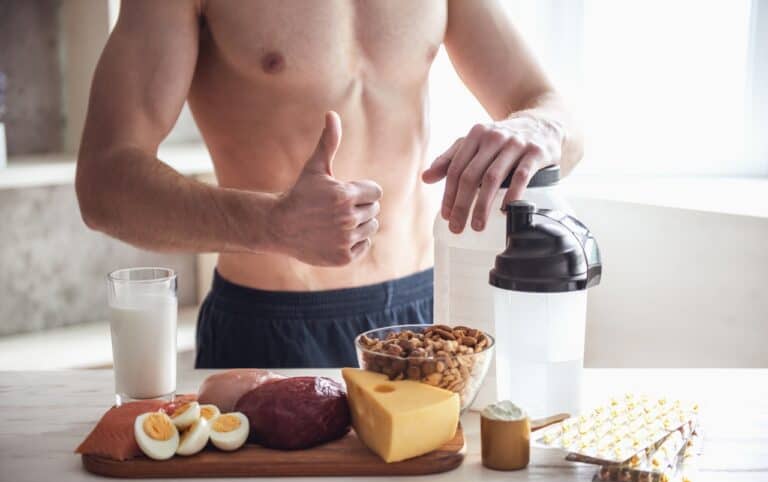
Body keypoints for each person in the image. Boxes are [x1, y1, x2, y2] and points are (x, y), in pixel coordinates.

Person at [76, 1, 583, 368]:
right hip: (274, 326)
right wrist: (272, 225)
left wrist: (541, 127)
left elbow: (557, 115)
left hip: (426, 312)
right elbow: (104, 180)